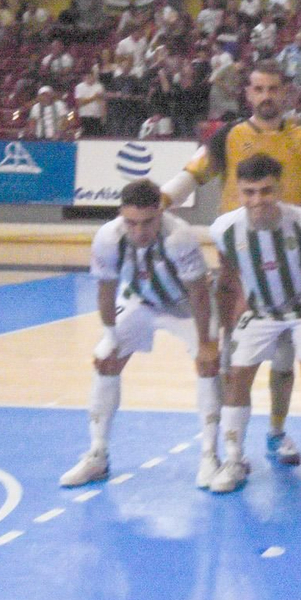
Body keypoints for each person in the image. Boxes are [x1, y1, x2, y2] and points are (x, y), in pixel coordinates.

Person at [160, 61, 301, 467]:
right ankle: (229, 446)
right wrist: (153, 204)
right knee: (234, 356)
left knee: (285, 358)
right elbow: (191, 177)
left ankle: (277, 431)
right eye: (258, 89)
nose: (266, 96)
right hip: (239, 266)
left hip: (294, 263)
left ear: (286, 92)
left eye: (273, 88)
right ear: (247, 94)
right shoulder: (228, 137)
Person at [63, 179, 221, 489]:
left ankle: (209, 456)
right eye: (131, 223)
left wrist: (206, 343)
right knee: (106, 361)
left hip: (185, 307)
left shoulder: (179, 237)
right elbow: (106, 290)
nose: (139, 231)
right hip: (140, 301)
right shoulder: (108, 237)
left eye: (147, 222)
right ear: (121, 214)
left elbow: (199, 294)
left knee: (208, 365)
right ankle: (97, 454)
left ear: (160, 212)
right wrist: (109, 335)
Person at [207, 154, 301, 496]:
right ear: (238, 192)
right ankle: (234, 460)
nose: (257, 200)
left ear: (279, 189)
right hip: (261, 312)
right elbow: (227, 272)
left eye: (265, 191)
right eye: (249, 192)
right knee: (236, 380)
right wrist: (228, 321)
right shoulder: (224, 229)